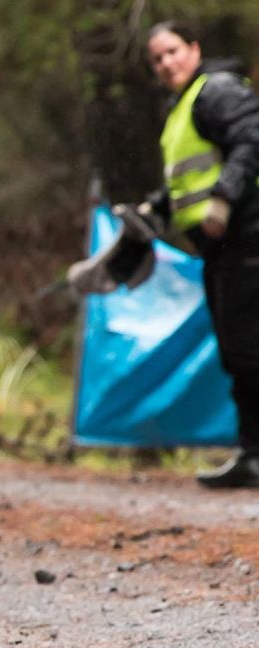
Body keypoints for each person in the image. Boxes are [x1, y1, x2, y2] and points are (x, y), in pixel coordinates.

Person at [143, 22, 259, 488]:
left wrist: (226, 197)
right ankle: (253, 455)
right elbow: (191, 181)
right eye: (157, 59)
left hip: (249, 239)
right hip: (223, 250)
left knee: (250, 351)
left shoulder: (217, 91)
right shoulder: (183, 108)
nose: (166, 63)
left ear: (194, 48)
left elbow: (252, 137)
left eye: (172, 51)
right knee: (240, 353)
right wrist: (157, 206)